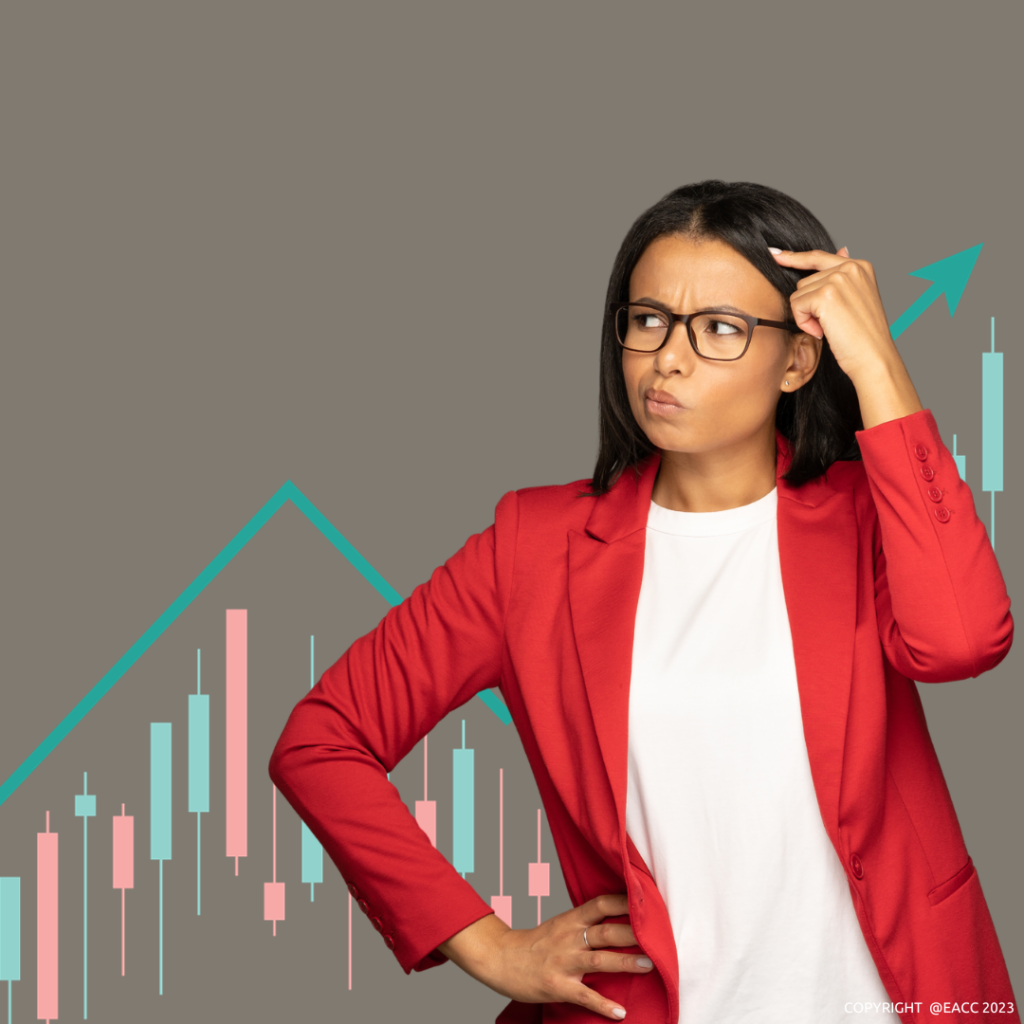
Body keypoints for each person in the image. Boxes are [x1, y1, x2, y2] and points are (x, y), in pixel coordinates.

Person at [268, 180, 1016, 1024]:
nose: (669, 356)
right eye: (649, 318)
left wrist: (878, 363)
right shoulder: (532, 549)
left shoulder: (867, 515)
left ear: (800, 361)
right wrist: (482, 943)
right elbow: (322, 738)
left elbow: (961, 642)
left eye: (721, 330)